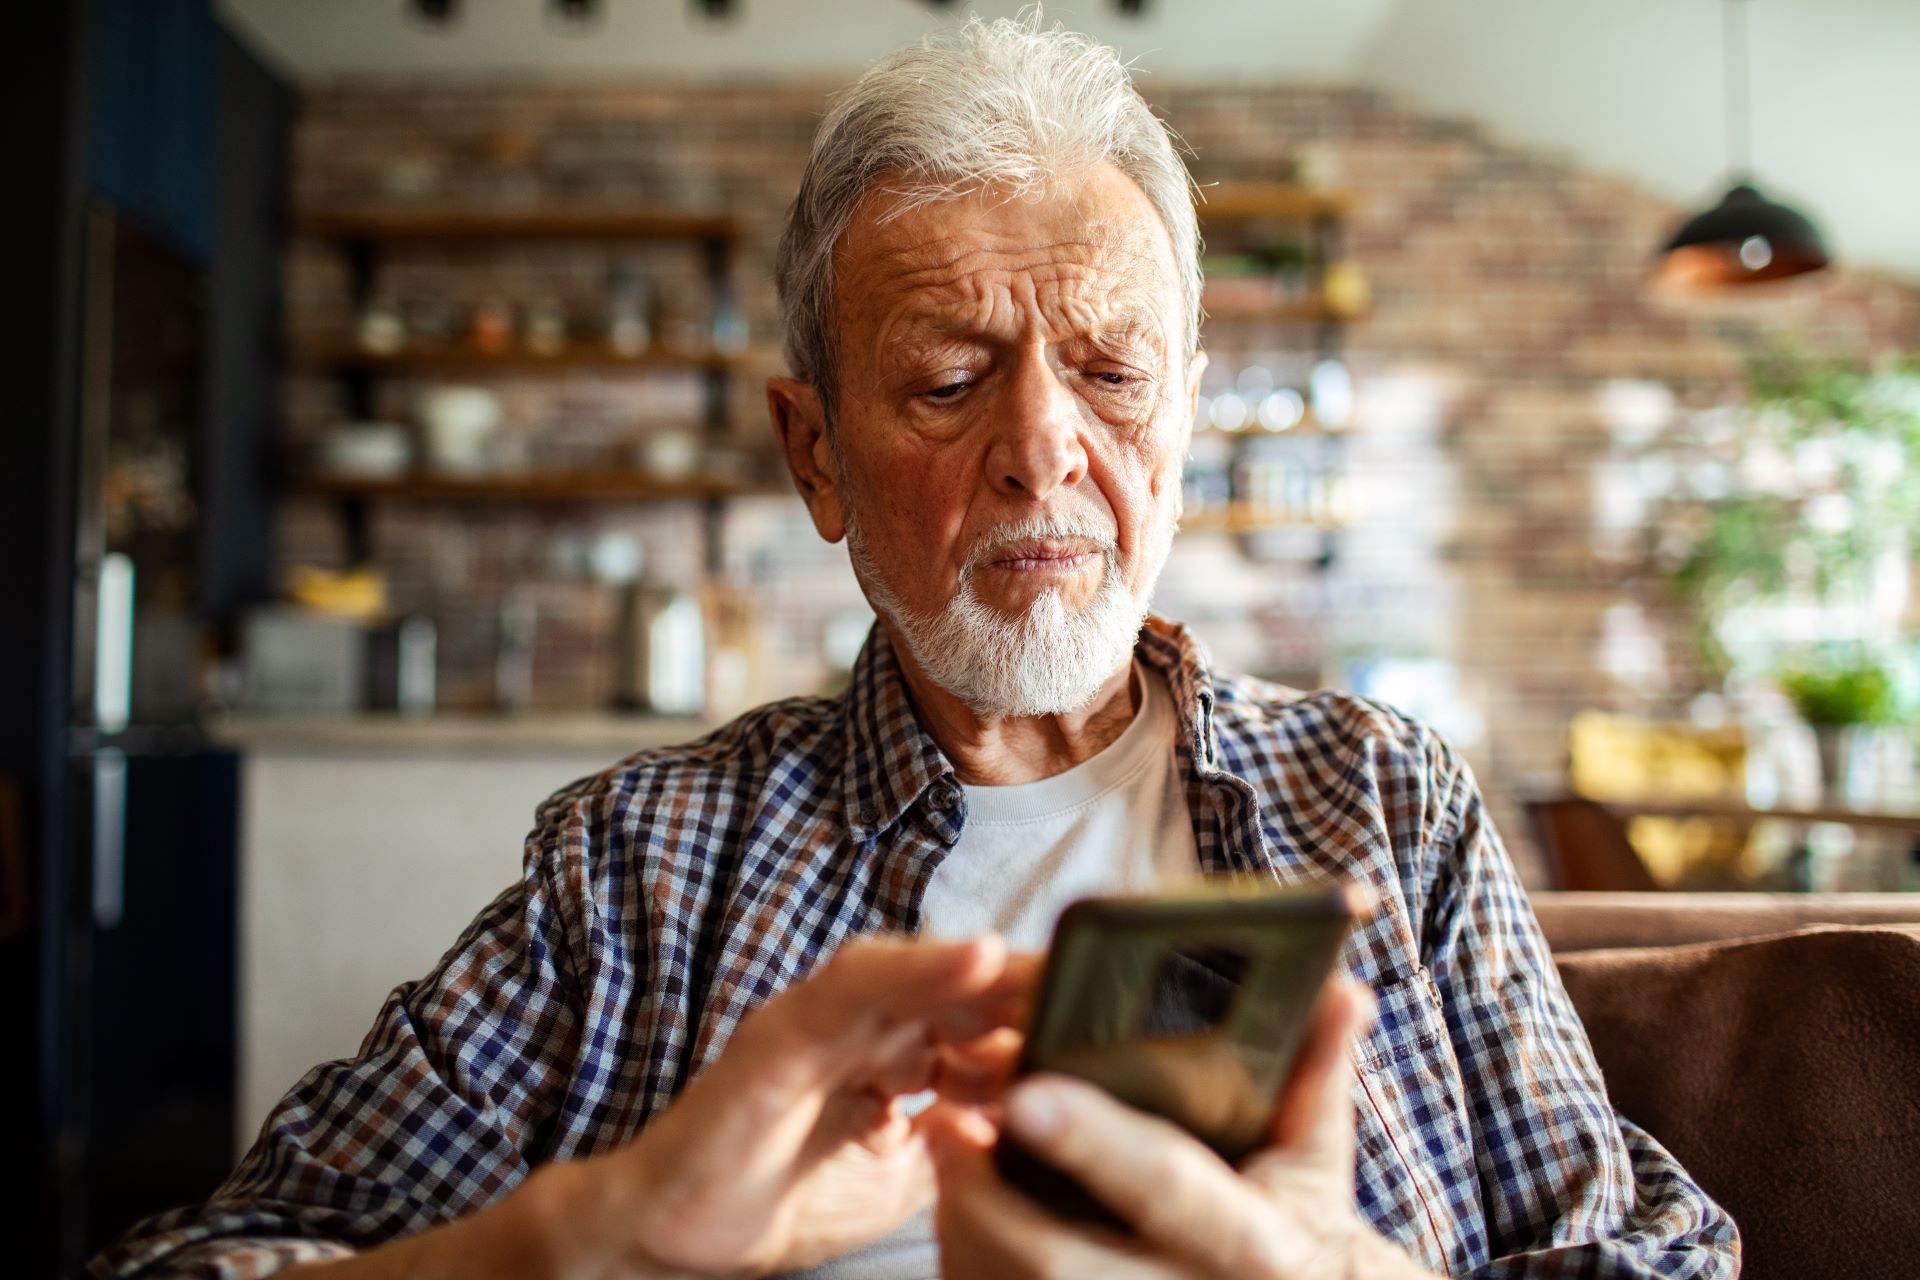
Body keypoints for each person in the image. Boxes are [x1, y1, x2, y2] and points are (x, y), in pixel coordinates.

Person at [90, 14, 1738, 1280]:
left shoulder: (1383, 804)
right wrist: (600, 1233)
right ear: (815, 454)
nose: (1041, 449)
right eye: (950, 381)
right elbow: (203, 1256)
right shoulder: (645, 867)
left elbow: (1655, 1258)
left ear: (1185, 415)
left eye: (1109, 370)